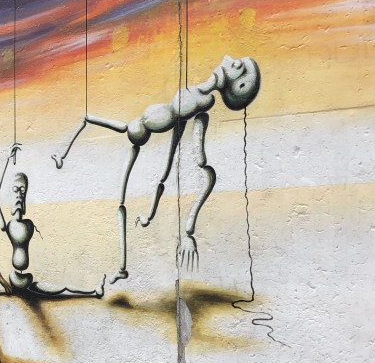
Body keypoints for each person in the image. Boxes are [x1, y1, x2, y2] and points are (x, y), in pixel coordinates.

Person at [51, 54, 260, 280]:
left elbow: (198, 159)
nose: (231, 60)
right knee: (91, 122)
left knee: (123, 201)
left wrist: (189, 231)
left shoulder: (203, 104)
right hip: (136, 128)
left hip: (139, 133)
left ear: (239, 86)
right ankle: (61, 154)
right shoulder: (199, 92)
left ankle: (121, 269)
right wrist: (149, 215)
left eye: (239, 68)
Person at [0, 144, 105, 299]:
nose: (19, 194)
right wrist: (7, 160)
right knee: (56, 290)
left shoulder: (29, 225)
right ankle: (93, 292)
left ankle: (93, 291)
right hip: (14, 279)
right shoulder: (10, 226)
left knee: (62, 288)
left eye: (22, 190)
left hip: (27, 280)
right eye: (15, 190)